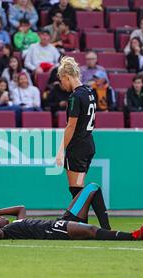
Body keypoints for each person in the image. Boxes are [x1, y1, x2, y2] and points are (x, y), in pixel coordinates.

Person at [0, 183, 143, 241]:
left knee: (92, 188)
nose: (0, 217)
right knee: (91, 230)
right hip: (54, 230)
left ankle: (107, 231)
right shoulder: (5, 231)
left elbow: (21, 208)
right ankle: (131, 236)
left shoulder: (17, 222)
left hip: (60, 221)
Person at [55, 57, 96, 199]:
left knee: (76, 190)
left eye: (62, 80)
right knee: (79, 188)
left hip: (77, 148)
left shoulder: (75, 97)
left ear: (66, 77)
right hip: (88, 145)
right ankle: (81, 219)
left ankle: (93, 218)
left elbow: (71, 126)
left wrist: (61, 150)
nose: (62, 85)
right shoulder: (89, 92)